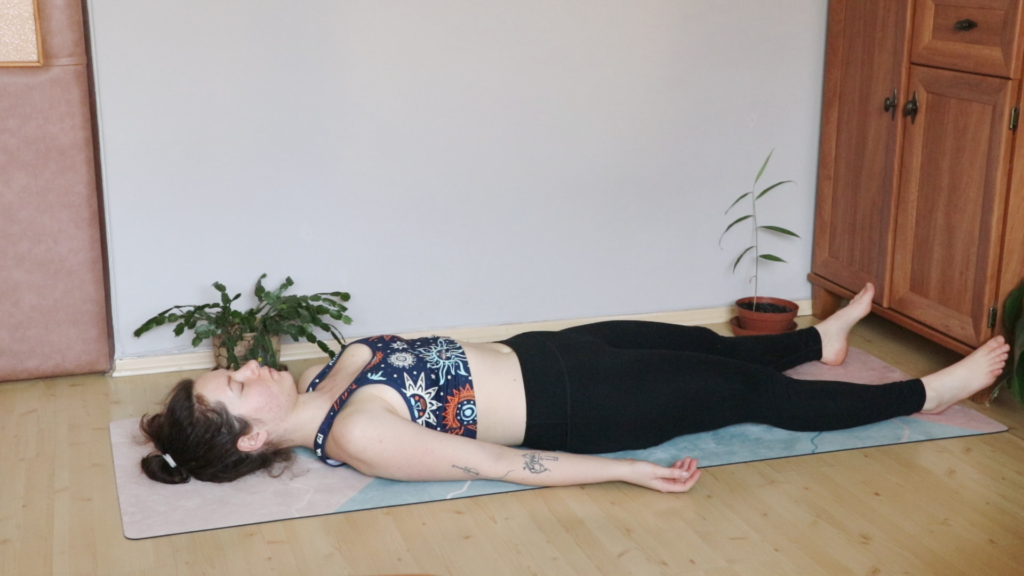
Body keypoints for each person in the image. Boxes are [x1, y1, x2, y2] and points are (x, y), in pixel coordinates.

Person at [139, 284, 1010, 492]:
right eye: (237, 382)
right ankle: (922, 396)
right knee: (741, 397)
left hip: (547, 354)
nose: (251, 365)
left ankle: (822, 339)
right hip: (582, 407)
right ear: (251, 437)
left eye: (237, 365)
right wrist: (633, 471)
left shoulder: (326, 377)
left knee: (699, 345)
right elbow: (502, 464)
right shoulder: (361, 436)